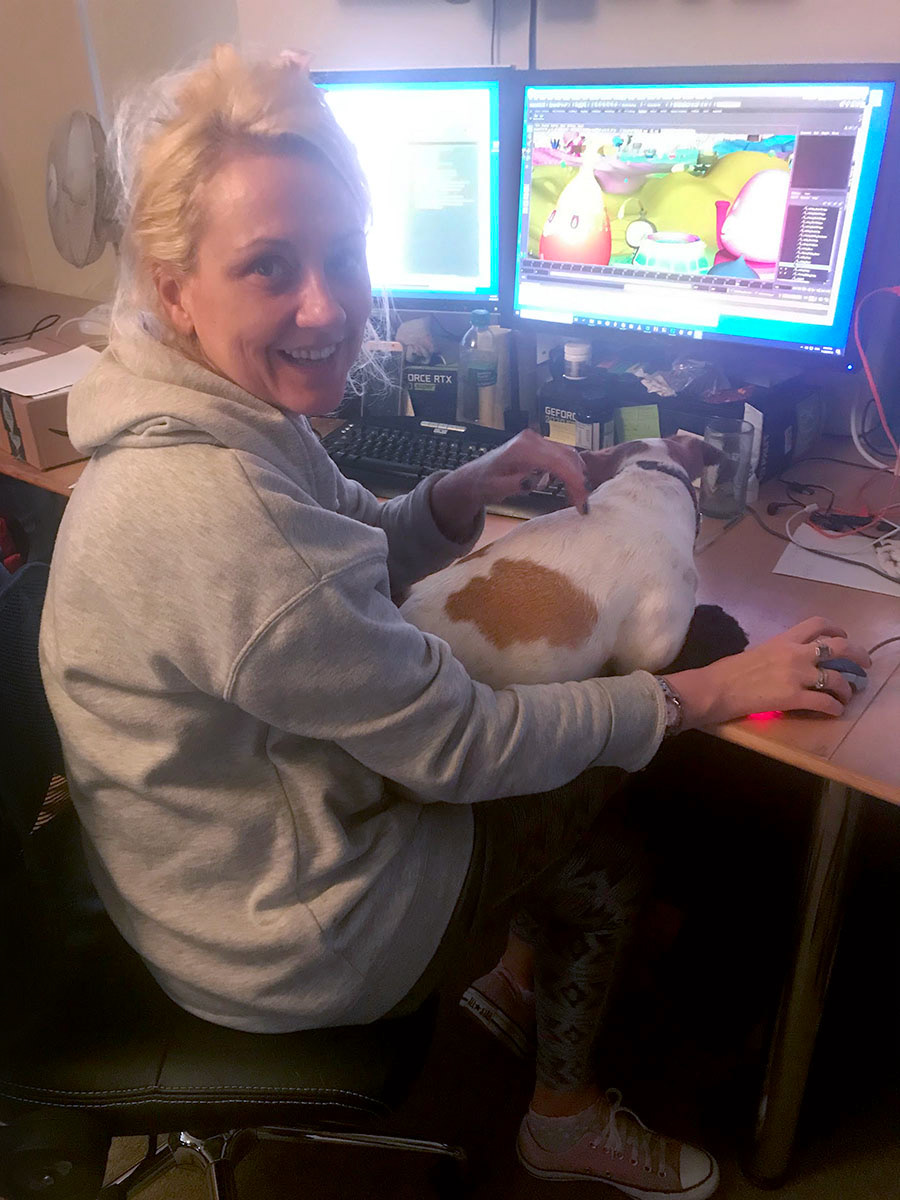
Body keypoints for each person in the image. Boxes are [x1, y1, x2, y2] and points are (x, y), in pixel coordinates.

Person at [39, 47, 870, 1200]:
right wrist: (703, 694)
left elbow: (341, 565)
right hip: (289, 941)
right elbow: (463, 743)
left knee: (623, 708)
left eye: (343, 254)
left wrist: (460, 492)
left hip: (203, 870)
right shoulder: (218, 508)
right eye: (270, 267)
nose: (328, 306)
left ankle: (516, 975)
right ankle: (561, 1115)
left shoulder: (204, 414)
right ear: (175, 288)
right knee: (628, 824)